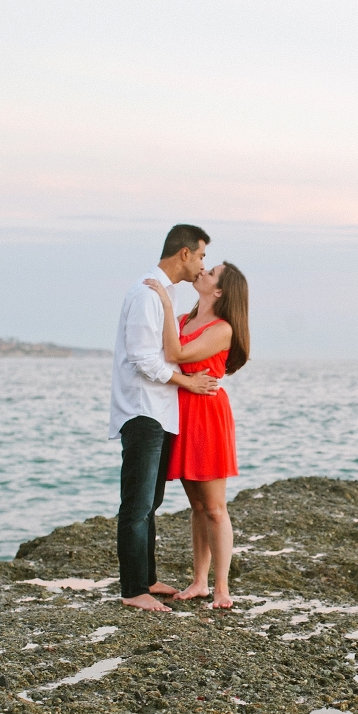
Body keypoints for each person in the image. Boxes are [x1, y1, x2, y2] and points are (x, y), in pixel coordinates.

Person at [109, 224, 219, 612]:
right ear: (185, 253)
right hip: (143, 410)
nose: (203, 264)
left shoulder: (164, 295)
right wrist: (187, 382)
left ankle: (147, 579)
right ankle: (132, 590)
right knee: (137, 503)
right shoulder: (146, 293)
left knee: (151, 500)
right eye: (202, 255)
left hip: (160, 411)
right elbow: (143, 359)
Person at [144, 261, 249, 609]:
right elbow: (159, 358)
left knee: (216, 508)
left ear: (219, 291)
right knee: (197, 506)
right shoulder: (185, 322)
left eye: (211, 272)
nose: (202, 272)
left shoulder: (222, 329)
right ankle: (199, 582)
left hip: (207, 414)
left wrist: (166, 302)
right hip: (182, 412)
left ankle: (222, 587)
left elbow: (175, 354)